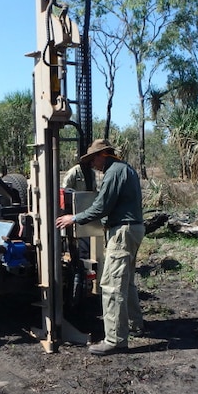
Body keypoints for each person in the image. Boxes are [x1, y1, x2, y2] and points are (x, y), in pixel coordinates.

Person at [55, 138, 145, 355]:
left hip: (122, 232)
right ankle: (135, 324)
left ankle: (115, 340)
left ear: (103, 154)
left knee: (111, 285)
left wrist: (74, 218)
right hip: (133, 229)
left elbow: (101, 206)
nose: (92, 164)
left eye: (93, 158)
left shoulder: (113, 172)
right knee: (127, 281)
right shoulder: (126, 169)